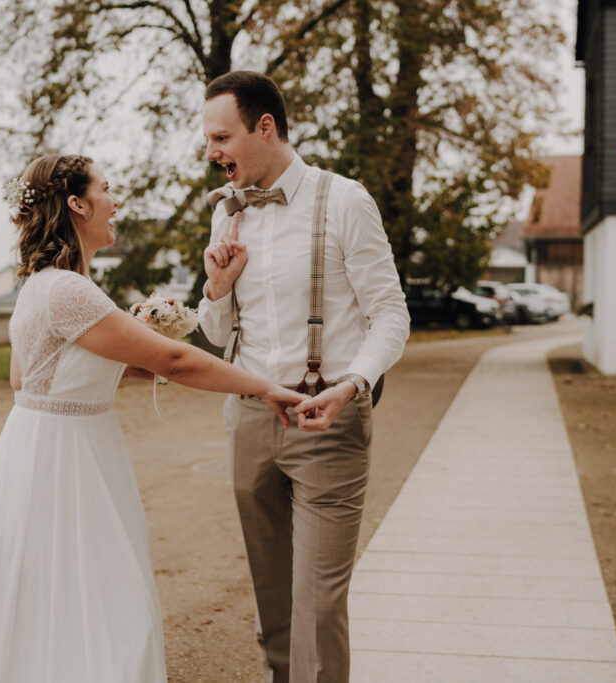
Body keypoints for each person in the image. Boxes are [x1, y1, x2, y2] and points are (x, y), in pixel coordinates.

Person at [0, 153, 306, 683]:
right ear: (77, 204)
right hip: (68, 464)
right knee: (109, 612)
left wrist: (137, 362)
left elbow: (28, 379)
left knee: (37, 606)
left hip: (39, 452)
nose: (116, 201)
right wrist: (265, 386)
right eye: (107, 189)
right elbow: (175, 358)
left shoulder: (39, 284)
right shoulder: (70, 290)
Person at [198, 71, 410, 683]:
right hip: (248, 421)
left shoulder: (344, 199)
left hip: (328, 423)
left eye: (221, 137)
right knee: (274, 602)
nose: (212, 154)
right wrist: (217, 287)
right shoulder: (226, 215)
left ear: (264, 127)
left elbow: (391, 315)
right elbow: (216, 334)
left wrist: (354, 386)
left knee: (317, 607)